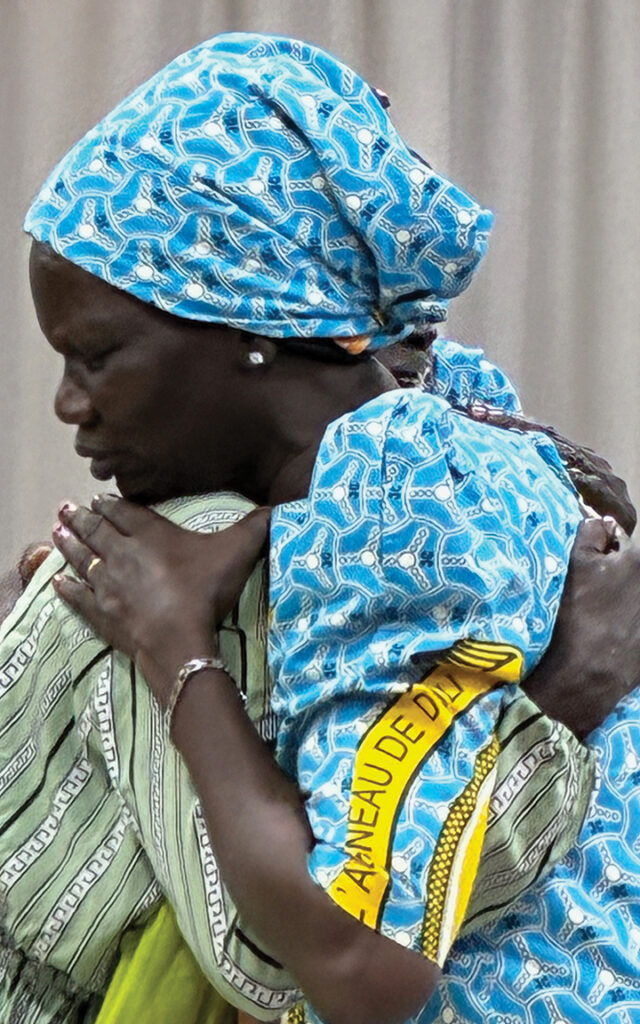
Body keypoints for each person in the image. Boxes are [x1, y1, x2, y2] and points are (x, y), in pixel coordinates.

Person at [7, 30, 639, 1024]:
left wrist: (175, 652)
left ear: (250, 321)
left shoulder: (392, 504)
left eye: (97, 353)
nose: (69, 404)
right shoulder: (414, 450)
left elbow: (350, 964)